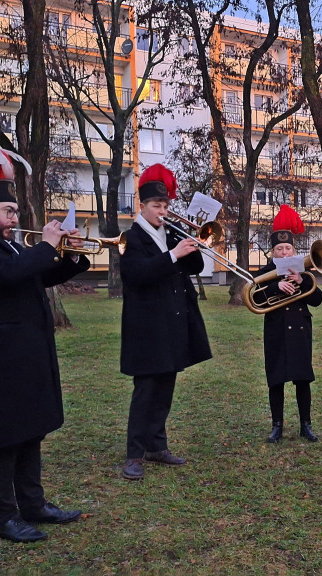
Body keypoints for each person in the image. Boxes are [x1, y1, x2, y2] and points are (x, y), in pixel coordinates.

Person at [0, 142, 90, 543]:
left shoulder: (5, 241)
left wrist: (70, 257)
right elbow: (7, 274)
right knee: (5, 438)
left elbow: (34, 276)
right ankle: (5, 517)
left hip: (27, 350)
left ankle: (33, 504)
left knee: (31, 430)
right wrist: (45, 246)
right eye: (8, 211)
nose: (14, 218)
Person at [120, 164, 212, 480]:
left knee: (165, 388)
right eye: (156, 206)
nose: (162, 211)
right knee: (146, 390)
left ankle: (156, 446)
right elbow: (136, 274)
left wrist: (193, 243)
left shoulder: (172, 233)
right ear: (142, 206)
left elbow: (195, 267)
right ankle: (134, 454)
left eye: (165, 205)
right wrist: (173, 255)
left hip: (172, 321)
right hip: (146, 325)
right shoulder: (130, 237)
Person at [257, 205, 322, 443]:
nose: (284, 253)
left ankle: (306, 425)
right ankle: (277, 426)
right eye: (279, 249)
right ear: (273, 252)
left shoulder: (303, 273)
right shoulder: (264, 272)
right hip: (276, 330)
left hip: (300, 330)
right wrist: (275, 286)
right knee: (276, 379)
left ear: (294, 250)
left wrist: (301, 282)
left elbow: (318, 300)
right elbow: (255, 299)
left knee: (303, 378)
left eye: (288, 248)